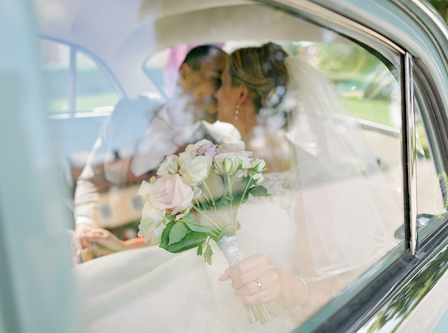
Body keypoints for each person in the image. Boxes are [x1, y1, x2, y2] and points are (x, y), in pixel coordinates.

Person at [73, 43, 400, 332]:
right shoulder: (225, 157)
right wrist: (123, 248)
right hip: (192, 278)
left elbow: (330, 293)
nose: (216, 95)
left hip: (239, 311)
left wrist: (278, 285)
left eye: (223, 83)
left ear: (241, 95)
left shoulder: (308, 180)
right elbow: (199, 230)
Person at [73, 45, 241, 262]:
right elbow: (91, 181)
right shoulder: (126, 114)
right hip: (92, 243)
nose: (221, 93)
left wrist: (123, 249)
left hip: (149, 260)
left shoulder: (213, 154)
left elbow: (198, 229)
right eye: (217, 79)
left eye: (228, 85)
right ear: (184, 73)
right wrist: (85, 226)